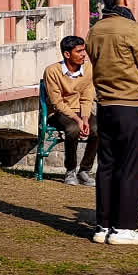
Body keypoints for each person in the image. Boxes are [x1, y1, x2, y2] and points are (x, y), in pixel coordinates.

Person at [86, 0, 138, 245]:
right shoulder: (133, 29)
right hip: (130, 104)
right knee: (130, 165)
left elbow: (93, 62)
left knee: (106, 165)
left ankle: (103, 225)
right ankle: (125, 227)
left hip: (105, 105)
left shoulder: (95, 30)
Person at [42, 35, 98, 186]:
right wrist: (78, 120)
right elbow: (57, 103)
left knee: (98, 128)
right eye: (79, 51)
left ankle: (85, 170)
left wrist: (85, 119)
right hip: (59, 113)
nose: (83, 55)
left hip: (81, 111)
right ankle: (70, 170)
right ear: (67, 54)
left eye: (83, 50)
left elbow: (87, 97)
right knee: (73, 129)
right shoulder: (52, 71)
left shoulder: (88, 68)